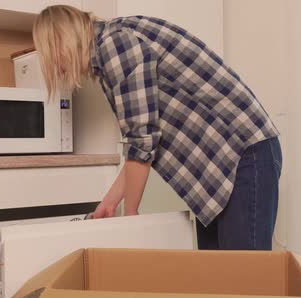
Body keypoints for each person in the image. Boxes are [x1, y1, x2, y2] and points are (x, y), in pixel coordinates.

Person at [32, 5, 282, 250]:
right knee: (220, 279)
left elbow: (142, 138)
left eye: (52, 55)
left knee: (245, 280)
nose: (58, 67)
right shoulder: (114, 45)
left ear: (60, 38)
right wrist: (110, 202)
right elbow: (138, 144)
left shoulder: (115, 44)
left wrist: (131, 213)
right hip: (225, 165)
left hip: (241, 155)